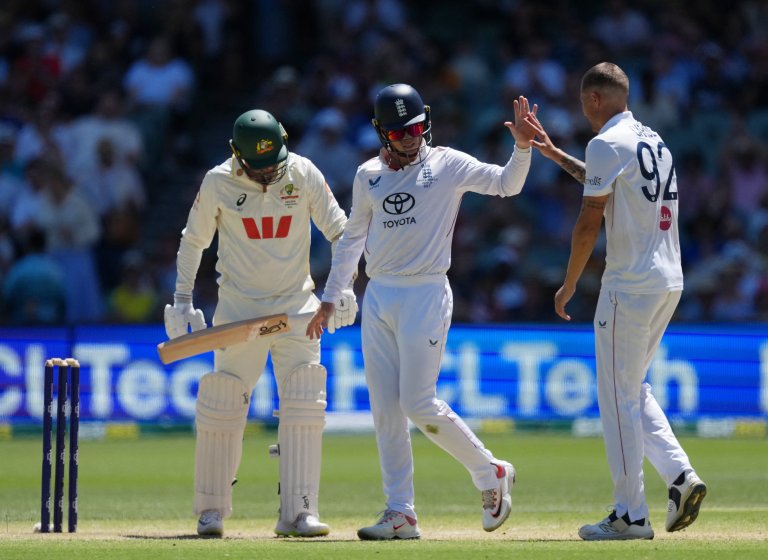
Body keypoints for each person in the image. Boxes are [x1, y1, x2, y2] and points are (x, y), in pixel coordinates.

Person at [306, 84, 540, 540]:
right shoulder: (368, 175)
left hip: (426, 295)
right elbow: (352, 239)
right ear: (382, 133)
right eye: (399, 132)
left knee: (418, 402)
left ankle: (489, 471)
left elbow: (507, 185)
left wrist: (522, 147)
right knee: (386, 411)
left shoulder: (448, 164)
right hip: (379, 298)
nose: (409, 138)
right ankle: (401, 512)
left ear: (425, 123)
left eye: (414, 128)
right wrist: (332, 296)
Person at [528, 62, 707, 540]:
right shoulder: (653, 140)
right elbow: (606, 183)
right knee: (632, 389)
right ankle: (681, 478)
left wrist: (568, 284)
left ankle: (631, 516)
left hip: (629, 285)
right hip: (668, 280)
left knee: (615, 399)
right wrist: (552, 153)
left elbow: (590, 218)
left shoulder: (606, 141)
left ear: (593, 99)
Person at [164, 109, 356, 538]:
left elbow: (342, 231)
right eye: (261, 166)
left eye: (275, 163)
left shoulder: (302, 172)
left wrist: (341, 289)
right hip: (239, 311)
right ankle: (211, 510)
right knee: (223, 402)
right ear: (238, 155)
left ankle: (299, 512)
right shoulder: (218, 180)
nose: (271, 172)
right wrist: (181, 298)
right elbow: (193, 240)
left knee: (305, 399)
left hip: (297, 308)